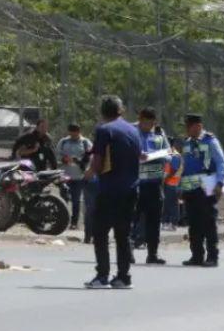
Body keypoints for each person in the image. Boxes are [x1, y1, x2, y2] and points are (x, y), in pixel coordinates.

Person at [84, 96, 142, 290]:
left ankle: (102, 276)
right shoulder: (133, 131)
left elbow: (98, 161)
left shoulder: (104, 130)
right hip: (131, 189)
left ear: (102, 112)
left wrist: (90, 173)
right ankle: (124, 277)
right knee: (123, 234)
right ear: (121, 110)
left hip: (110, 189)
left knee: (99, 232)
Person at [178, 112, 224, 267]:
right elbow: (185, 166)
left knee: (208, 222)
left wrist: (220, 183)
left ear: (198, 126)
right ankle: (197, 255)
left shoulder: (210, 141)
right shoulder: (187, 143)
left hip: (208, 182)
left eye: (189, 126)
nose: (186, 129)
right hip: (190, 185)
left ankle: (213, 256)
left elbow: (221, 162)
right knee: (193, 223)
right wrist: (180, 186)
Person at [133, 109, 169, 265]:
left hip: (154, 183)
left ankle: (152, 253)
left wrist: (156, 155)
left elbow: (169, 153)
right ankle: (128, 251)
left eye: (151, 123)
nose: (149, 126)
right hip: (136, 183)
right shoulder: (131, 132)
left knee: (154, 220)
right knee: (132, 219)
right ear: (139, 119)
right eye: (146, 122)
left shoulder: (160, 134)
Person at [56, 123, 91, 229]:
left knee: (76, 200)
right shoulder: (63, 142)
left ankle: (74, 222)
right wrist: (63, 159)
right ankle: (63, 221)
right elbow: (57, 154)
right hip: (65, 175)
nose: (73, 135)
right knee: (64, 199)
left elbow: (91, 157)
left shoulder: (85, 142)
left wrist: (79, 161)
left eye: (75, 133)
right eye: (71, 133)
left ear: (79, 132)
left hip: (79, 177)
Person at [162, 139, 183, 229]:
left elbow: (173, 169)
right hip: (169, 183)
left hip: (173, 183)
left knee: (172, 204)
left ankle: (173, 223)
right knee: (167, 204)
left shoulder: (175, 155)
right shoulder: (170, 154)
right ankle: (166, 222)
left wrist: (164, 178)